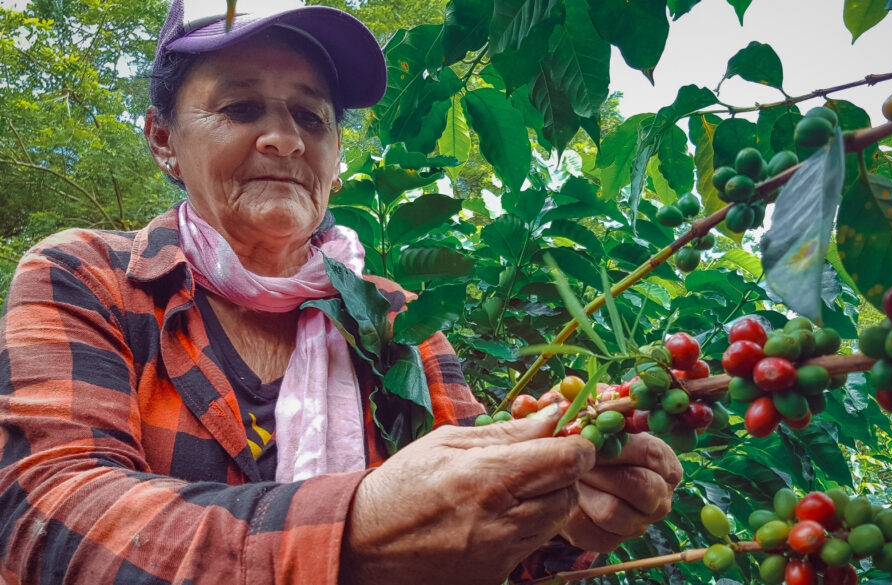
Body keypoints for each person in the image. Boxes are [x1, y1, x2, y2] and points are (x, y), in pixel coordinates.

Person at [0, 1, 683, 583]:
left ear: (335, 157)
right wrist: (356, 526)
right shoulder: (85, 276)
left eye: (312, 117)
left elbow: (483, 541)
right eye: (240, 107)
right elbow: (51, 516)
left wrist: (565, 510)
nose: (285, 140)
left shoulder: (393, 318)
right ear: (163, 141)